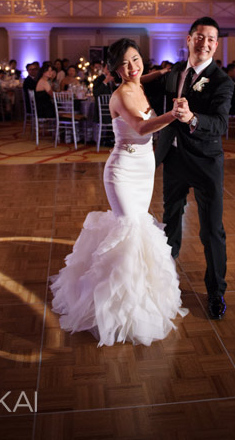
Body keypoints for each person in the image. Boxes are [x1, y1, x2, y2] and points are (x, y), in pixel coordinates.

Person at [51, 38, 187, 347]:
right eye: (125, 64)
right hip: (122, 172)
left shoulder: (139, 83)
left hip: (144, 170)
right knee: (129, 230)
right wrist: (173, 115)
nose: (133, 67)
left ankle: (138, 298)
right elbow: (140, 128)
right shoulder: (121, 95)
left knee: (137, 231)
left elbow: (144, 76)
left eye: (136, 59)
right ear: (114, 70)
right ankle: (113, 307)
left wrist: (159, 72)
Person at [154, 16, 235, 320]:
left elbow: (221, 124)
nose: (205, 43)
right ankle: (164, 283)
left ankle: (216, 293)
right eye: (199, 37)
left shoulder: (223, 81)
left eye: (211, 39)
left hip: (205, 163)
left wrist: (192, 118)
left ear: (216, 45)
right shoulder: (176, 71)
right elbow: (156, 84)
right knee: (170, 223)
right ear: (188, 40)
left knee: (212, 231)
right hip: (173, 160)